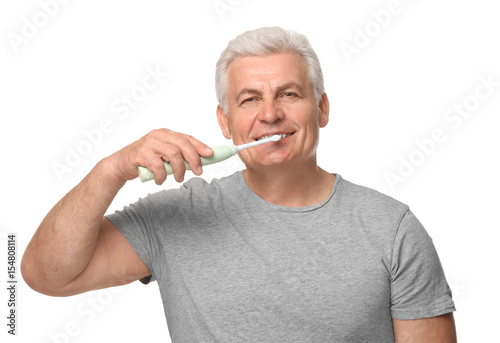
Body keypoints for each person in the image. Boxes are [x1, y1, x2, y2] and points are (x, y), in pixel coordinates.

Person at [22, 26, 457, 342]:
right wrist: (110, 170)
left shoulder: (392, 229)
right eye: (249, 99)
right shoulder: (177, 218)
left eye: (289, 94)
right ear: (224, 122)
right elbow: (46, 275)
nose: (269, 114)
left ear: (322, 109)